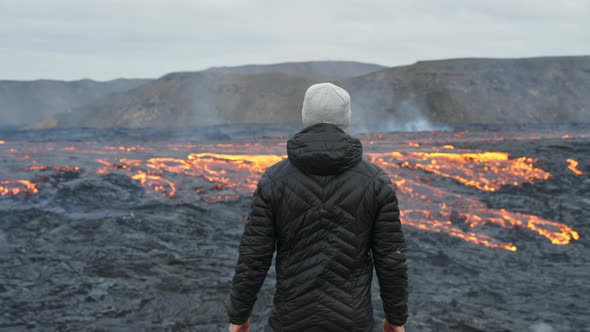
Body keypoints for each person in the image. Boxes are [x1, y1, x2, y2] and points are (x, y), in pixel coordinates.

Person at [227, 82, 408, 332]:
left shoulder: (274, 179)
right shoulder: (375, 181)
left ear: (305, 117)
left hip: (289, 322)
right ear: (346, 119)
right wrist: (396, 320)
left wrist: (238, 317)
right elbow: (391, 259)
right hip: (352, 322)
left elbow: (253, 257)